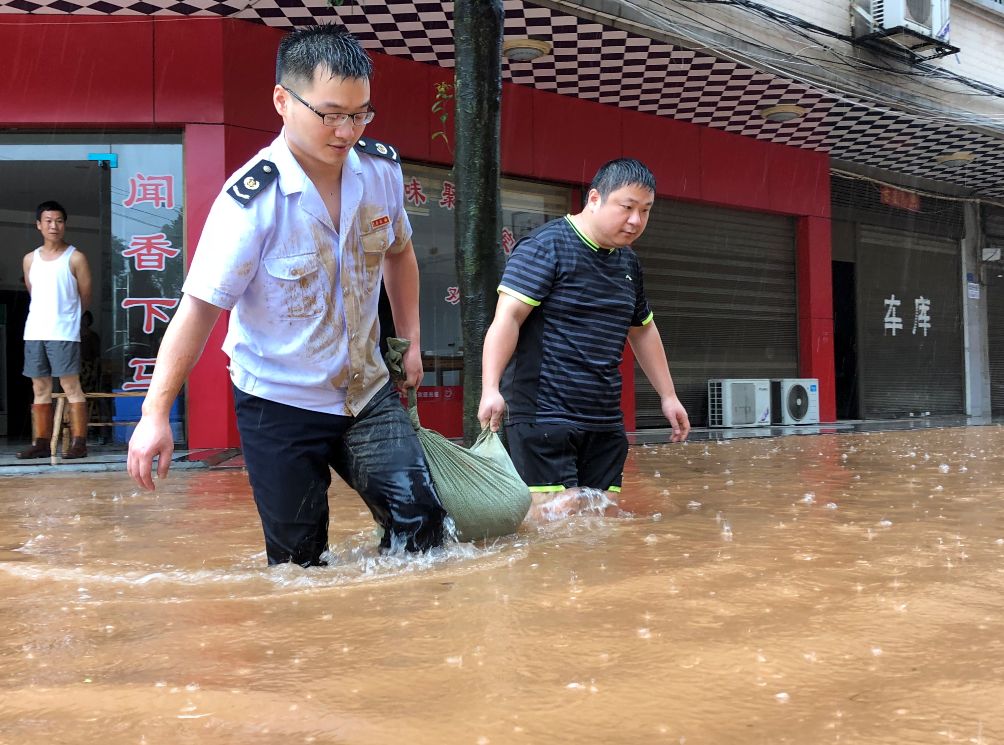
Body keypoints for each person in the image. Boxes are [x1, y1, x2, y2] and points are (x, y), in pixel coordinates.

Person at [126, 24, 445, 567]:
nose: (346, 130)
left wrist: (409, 338)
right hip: (279, 401)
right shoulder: (250, 201)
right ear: (282, 99)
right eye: (330, 114)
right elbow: (199, 309)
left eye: (361, 113)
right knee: (299, 564)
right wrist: (155, 413)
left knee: (424, 526)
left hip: (365, 391)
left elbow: (399, 252)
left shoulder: (382, 172)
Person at [478, 158, 690, 518]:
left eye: (645, 210)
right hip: (545, 415)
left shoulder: (628, 264)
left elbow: (643, 330)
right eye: (627, 207)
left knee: (597, 522)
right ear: (595, 198)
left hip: (604, 419)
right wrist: (490, 387)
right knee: (550, 522)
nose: (636, 220)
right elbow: (507, 318)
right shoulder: (545, 247)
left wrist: (668, 396)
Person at [17, 200, 92, 460]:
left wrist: (69, 319)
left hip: (63, 332)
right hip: (35, 330)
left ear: (64, 224)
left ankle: (79, 443)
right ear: (39, 225)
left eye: (59, 221)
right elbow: (32, 292)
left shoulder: (76, 257)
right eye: (48, 221)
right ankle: (40, 442)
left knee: (71, 385)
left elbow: (85, 296)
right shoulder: (30, 259)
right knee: (39, 387)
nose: (54, 226)